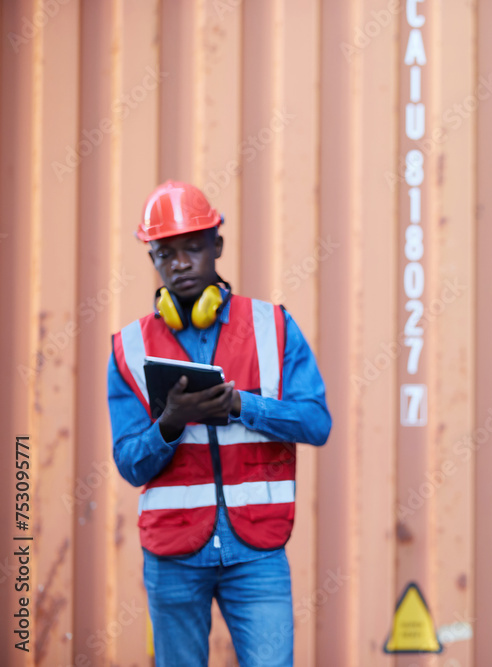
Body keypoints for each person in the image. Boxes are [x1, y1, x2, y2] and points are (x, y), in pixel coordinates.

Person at [108, 180, 331, 666]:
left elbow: (317, 423)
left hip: (258, 551)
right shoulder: (128, 348)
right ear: (153, 259)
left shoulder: (272, 326)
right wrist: (170, 423)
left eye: (193, 247)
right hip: (173, 554)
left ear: (218, 247)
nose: (180, 263)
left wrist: (242, 407)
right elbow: (129, 464)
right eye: (165, 253)